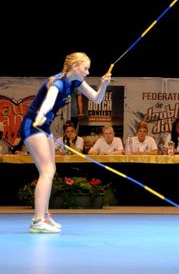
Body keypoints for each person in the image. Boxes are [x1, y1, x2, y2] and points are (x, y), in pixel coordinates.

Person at [17, 52, 111, 233]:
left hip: (44, 127)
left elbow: (97, 98)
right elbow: (49, 101)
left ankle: (44, 216)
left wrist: (104, 84)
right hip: (33, 125)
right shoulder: (57, 82)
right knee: (47, 170)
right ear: (75, 66)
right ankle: (38, 220)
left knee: (50, 169)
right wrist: (42, 114)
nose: (88, 72)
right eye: (85, 68)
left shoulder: (76, 82)